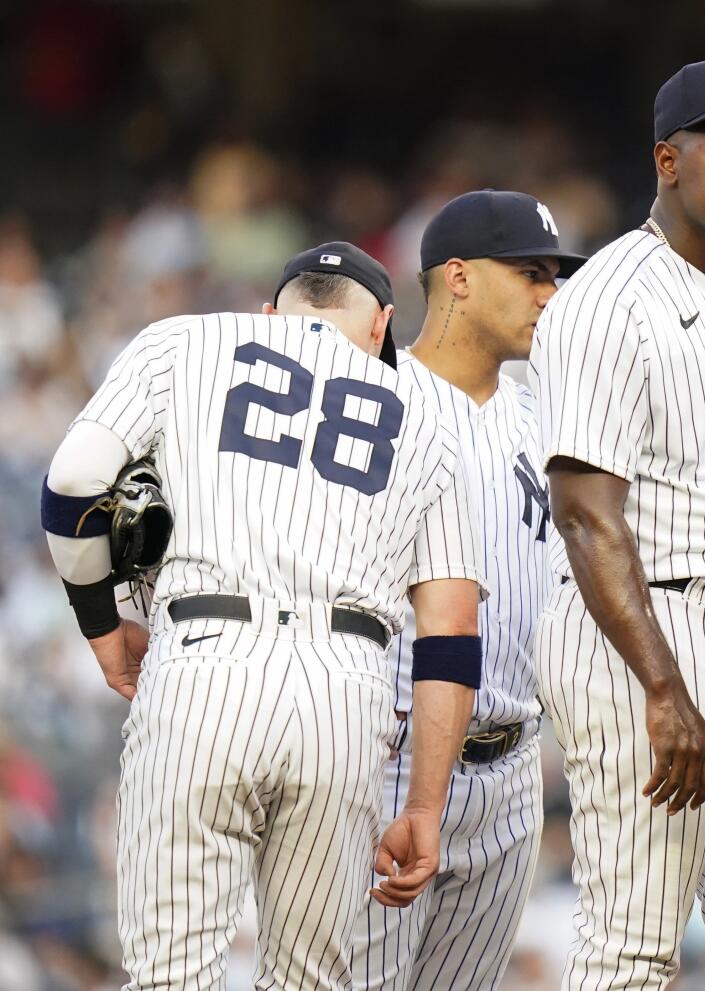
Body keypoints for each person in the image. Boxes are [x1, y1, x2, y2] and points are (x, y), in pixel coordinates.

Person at [40, 243, 483, 990]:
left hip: (205, 661)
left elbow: (72, 485)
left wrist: (104, 628)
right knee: (310, 979)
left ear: (272, 312)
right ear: (381, 326)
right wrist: (426, 805)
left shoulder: (184, 341)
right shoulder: (433, 420)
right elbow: (450, 632)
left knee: (171, 973)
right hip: (346, 689)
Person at [529, 57, 705, 990]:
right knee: (635, 947)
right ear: (667, 159)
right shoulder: (609, 296)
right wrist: (661, 685)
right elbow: (584, 512)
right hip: (655, 632)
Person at [350, 192, 585, 990]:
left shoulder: (547, 417)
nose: (548, 294)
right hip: (388, 762)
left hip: (513, 768)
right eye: (529, 273)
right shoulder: (375, 405)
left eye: (553, 276)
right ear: (456, 277)